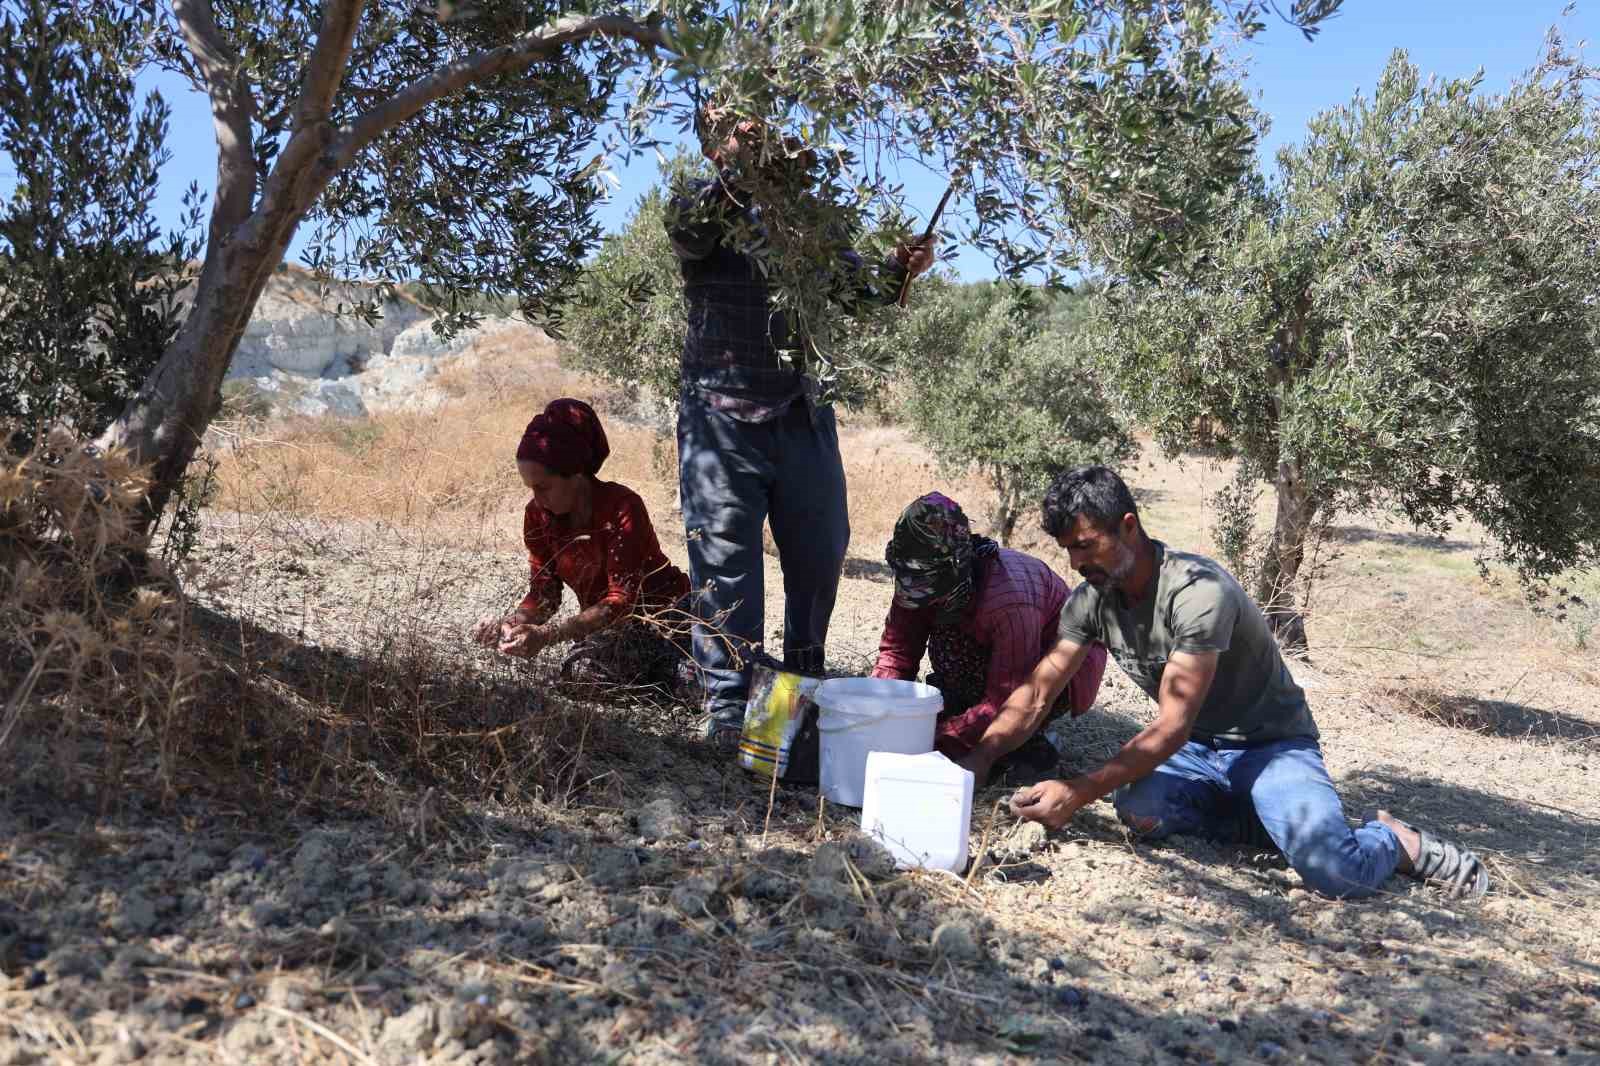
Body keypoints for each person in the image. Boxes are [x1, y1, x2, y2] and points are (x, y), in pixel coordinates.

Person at [999, 465, 1489, 900]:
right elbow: (1041, 689)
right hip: (1194, 750)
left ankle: (1389, 840)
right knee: (1140, 809)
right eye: (1069, 550)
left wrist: (1079, 791)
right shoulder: (1092, 599)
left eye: (1086, 546)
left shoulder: (1198, 592)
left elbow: (1170, 724)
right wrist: (975, 761)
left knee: (1337, 874)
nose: (1076, 563)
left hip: (1270, 747)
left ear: (1128, 527)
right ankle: (1281, 822)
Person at [666, 105, 937, 748]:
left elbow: (855, 290)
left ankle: (798, 689)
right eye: (735, 127)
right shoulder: (695, 202)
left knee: (820, 555)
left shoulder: (804, 212)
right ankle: (731, 710)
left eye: (755, 122)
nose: (755, 133)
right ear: (715, 145)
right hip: (718, 418)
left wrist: (901, 269)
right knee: (726, 567)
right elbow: (692, 233)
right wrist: (740, 169)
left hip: (799, 414)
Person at [871, 493, 1108, 780]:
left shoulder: (1008, 599)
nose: (913, 590)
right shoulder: (918, 580)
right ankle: (968, 717)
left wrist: (935, 742)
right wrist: (876, 714)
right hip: (990, 657)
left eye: (926, 584)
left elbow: (1009, 696)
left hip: (1060, 666)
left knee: (986, 747)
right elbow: (897, 654)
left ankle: (1027, 744)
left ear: (958, 566)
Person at [473, 399, 691, 690]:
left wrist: (548, 635)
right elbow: (544, 594)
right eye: (531, 488)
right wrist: (510, 624)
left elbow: (620, 602)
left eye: (544, 487)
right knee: (579, 675)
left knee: (708, 684)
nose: (537, 499)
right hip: (612, 637)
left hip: (670, 623)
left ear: (576, 475)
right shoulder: (537, 516)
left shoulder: (622, 507)